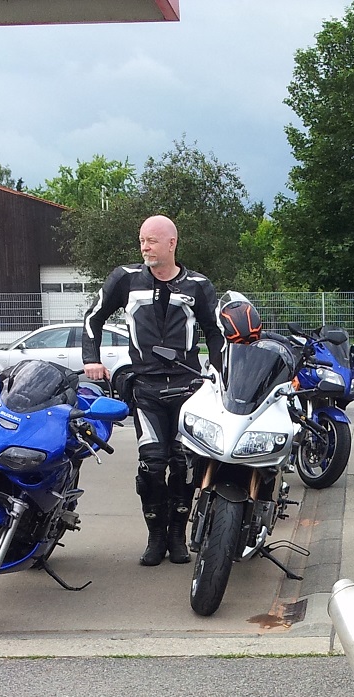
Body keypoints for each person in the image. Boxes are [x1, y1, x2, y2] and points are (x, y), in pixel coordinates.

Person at [82, 214, 225, 566]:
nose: (145, 247)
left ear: (172, 244)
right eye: (142, 240)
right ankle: (155, 535)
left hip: (188, 389)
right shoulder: (124, 279)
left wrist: (220, 374)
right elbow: (93, 318)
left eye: (152, 241)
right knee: (151, 465)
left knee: (183, 464)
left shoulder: (198, 285)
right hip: (145, 388)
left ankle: (177, 535)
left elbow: (215, 333)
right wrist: (91, 359)